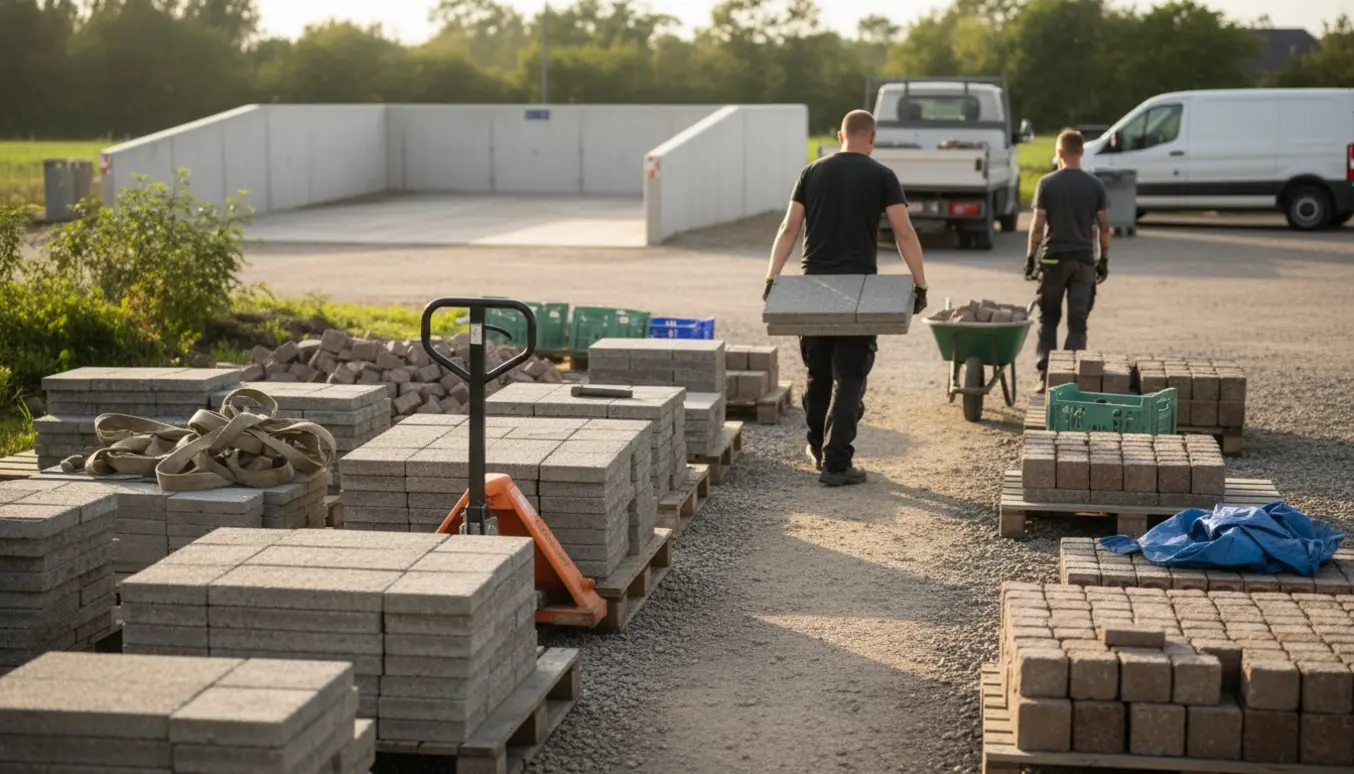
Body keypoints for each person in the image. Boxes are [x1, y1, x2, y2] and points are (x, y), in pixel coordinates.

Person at [762, 109, 928, 487]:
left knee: (818, 373)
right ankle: (837, 463)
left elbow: (789, 228)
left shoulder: (812, 172)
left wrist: (772, 276)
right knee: (850, 376)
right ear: (871, 138)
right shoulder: (883, 176)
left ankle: (818, 449)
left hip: (813, 287)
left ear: (840, 136)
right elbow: (904, 233)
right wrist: (919, 284)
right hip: (859, 290)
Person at [1025, 128, 1111, 392]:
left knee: (1048, 318)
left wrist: (1031, 256)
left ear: (1060, 153)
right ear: (1081, 152)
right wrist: (1103, 259)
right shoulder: (1095, 185)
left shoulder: (1047, 183)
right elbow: (1104, 227)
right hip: (1084, 261)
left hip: (1052, 262)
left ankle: (1045, 377)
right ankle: (1070, 378)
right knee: (1077, 322)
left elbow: (1038, 224)